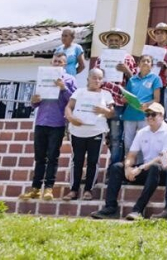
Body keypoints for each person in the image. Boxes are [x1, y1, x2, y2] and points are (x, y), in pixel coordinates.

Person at [19, 51, 76, 202]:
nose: (57, 63)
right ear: (51, 63)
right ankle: (35, 188)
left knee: (52, 156)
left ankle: (49, 188)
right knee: (39, 157)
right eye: (55, 61)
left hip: (57, 122)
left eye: (60, 61)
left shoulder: (70, 80)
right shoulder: (42, 77)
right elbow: (34, 103)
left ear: (65, 64)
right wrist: (34, 100)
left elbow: (74, 101)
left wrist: (63, 88)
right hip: (41, 121)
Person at [64, 68, 115, 201]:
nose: (97, 80)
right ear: (88, 79)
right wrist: (70, 117)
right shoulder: (79, 91)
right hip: (77, 131)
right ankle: (73, 189)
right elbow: (69, 107)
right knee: (77, 160)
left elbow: (111, 112)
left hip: (96, 131)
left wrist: (105, 110)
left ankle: (88, 190)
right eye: (94, 77)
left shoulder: (106, 94)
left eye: (100, 78)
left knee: (93, 161)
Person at [94, 30, 138, 167]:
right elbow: (94, 80)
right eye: (110, 40)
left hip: (118, 102)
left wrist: (126, 71)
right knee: (101, 136)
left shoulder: (128, 59)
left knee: (116, 137)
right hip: (101, 102)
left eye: (116, 40)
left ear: (121, 42)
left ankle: (114, 169)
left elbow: (135, 82)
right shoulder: (101, 59)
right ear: (106, 42)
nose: (113, 43)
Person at [122, 54, 163, 154]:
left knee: (144, 144)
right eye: (143, 61)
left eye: (148, 61)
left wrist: (147, 104)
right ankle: (129, 167)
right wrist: (125, 99)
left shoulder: (155, 78)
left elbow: (157, 99)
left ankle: (141, 168)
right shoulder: (132, 80)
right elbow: (127, 96)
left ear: (152, 65)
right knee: (128, 144)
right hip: (129, 115)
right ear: (138, 64)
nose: (145, 63)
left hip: (145, 115)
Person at [147, 22, 167, 89]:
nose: (159, 35)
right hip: (150, 83)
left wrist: (166, 66)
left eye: (162, 33)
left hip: (166, 84)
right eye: (157, 33)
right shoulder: (149, 50)